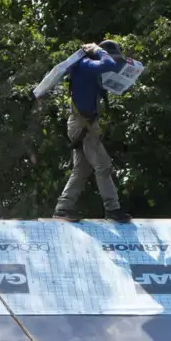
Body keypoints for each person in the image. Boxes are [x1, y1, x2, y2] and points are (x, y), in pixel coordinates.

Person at [48, 40, 133, 224]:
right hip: (83, 125)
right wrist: (98, 50)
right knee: (103, 166)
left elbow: (114, 65)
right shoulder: (86, 65)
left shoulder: (91, 70)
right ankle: (113, 209)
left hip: (84, 124)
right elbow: (109, 63)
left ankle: (63, 209)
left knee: (81, 169)